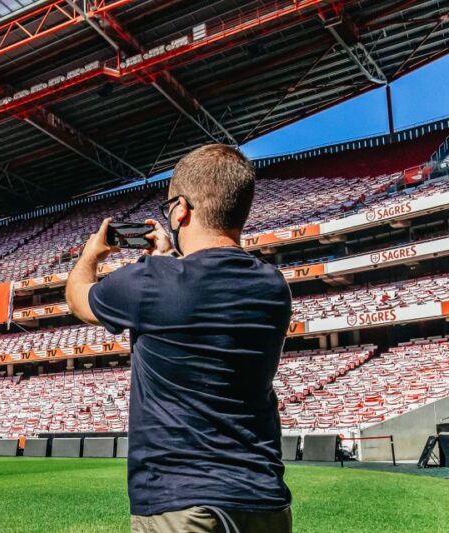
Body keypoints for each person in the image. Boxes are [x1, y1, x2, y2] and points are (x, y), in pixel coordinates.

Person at [65, 144, 292, 533]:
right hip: (264, 499)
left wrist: (91, 254)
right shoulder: (273, 286)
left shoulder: (150, 281)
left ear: (181, 209)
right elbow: (198, 295)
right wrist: (168, 260)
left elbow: (79, 298)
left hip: (181, 501)